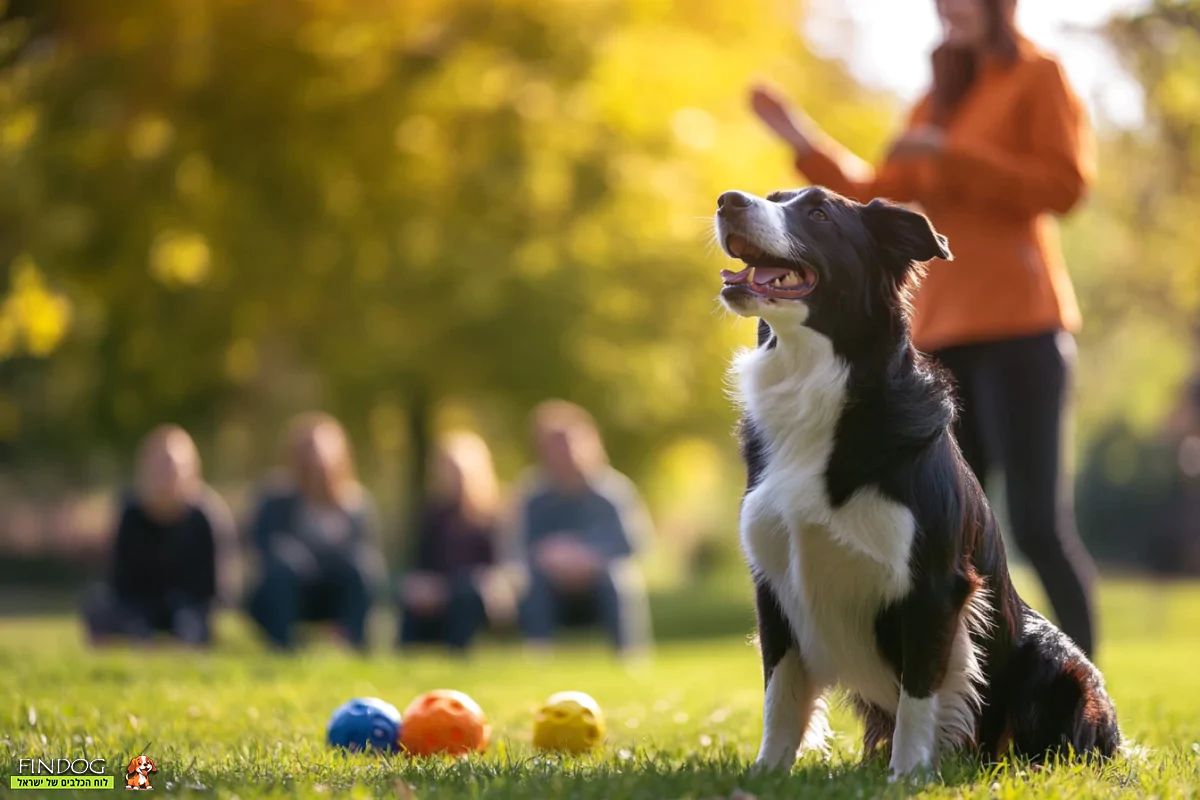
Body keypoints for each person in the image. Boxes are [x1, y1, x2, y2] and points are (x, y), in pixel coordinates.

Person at [749, 0, 1099, 656]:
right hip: (940, 336)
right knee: (952, 527)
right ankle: (961, 689)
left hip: (1022, 325)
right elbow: (878, 194)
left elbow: (1064, 185)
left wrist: (954, 152)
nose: (949, 9)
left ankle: (1086, 696)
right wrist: (803, 143)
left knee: (1035, 526)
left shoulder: (1037, 75)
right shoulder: (934, 98)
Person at [505, 400, 654, 657]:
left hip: (599, 584)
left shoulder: (612, 491)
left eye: (569, 442)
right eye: (554, 445)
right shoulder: (533, 496)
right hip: (551, 588)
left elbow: (634, 543)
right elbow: (520, 549)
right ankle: (538, 654)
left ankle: (629, 657)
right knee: (532, 585)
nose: (564, 452)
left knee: (619, 579)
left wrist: (589, 558)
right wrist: (552, 559)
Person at [82, 425, 234, 647]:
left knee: (190, 623)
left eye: (173, 467)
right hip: (139, 605)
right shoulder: (130, 515)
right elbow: (119, 581)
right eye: (159, 466)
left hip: (189, 607)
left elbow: (218, 589)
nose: (166, 475)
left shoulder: (207, 516)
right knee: (97, 604)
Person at [246, 412, 384, 652]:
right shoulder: (275, 498)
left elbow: (367, 558)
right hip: (289, 592)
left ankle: (356, 645)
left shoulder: (355, 504)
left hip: (335, 594)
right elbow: (261, 548)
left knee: (363, 566)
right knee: (282, 567)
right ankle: (282, 648)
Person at [397, 431, 510, 653]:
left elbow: (499, 569)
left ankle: (457, 653)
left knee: (465, 592)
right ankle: (403, 655)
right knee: (415, 596)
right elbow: (420, 563)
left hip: (479, 597)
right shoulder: (432, 515)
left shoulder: (494, 516)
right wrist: (422, 585)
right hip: (439, 593)